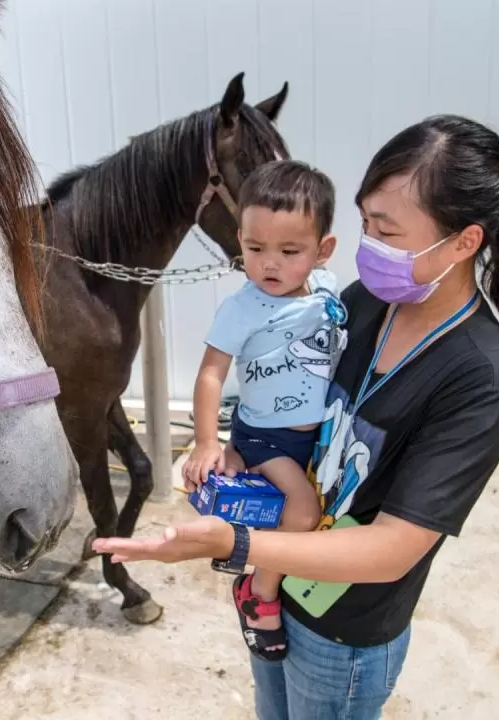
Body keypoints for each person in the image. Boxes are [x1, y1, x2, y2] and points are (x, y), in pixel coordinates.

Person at [94, 114, 499, 719]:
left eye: (387, 232)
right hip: (275, 586)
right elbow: (282, 390)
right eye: (365, 223)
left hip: (345, 636)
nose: (368, 246)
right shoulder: (363, 302)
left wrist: (237, 543)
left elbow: (394, 548)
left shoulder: (480, 373)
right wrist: (239, 448)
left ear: (463, 242)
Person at [183, 159, 347, 662]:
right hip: (268, 440)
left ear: (322, 251)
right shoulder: (242, 308)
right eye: (255, 249)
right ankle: (259, 590)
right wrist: (211, 442)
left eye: (289, 251)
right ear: (240, 239)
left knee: (313, 514)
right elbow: (211, 373)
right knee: (303, 511)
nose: (269, 264)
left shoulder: (328, 291)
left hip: (315, 437)